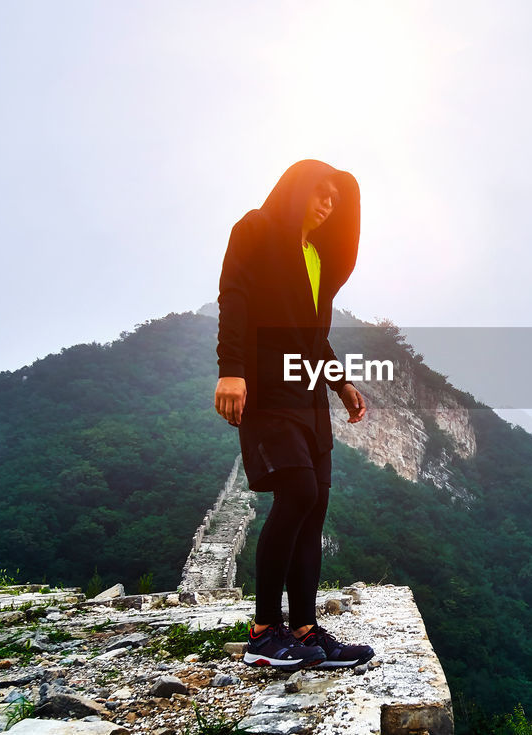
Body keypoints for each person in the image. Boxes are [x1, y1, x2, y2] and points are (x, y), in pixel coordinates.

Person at [213, 159, 374, 672]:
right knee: (298, 492)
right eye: (319, 191)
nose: (327, 203)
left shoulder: (317, 258)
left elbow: (312, 337)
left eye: (335, 197)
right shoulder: (255, 228)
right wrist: (231, 369)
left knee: (316, 505)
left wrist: (340, 382)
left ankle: (304, 628)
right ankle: (264, 630)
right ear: (295, 189)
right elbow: (233, 297)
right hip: (266, 388)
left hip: (308, 398)